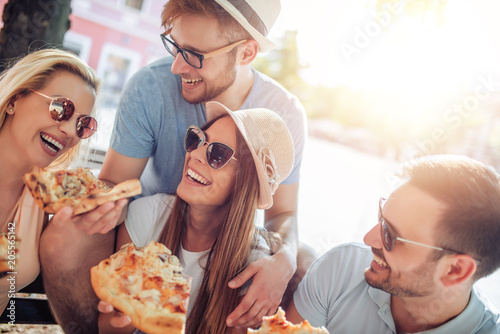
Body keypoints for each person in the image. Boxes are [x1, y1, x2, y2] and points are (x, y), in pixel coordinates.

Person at [42, 0, 310, 331]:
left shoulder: (286, 114)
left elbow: (282, 215)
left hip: (224, 241)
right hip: (146, 229)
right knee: (66, 231)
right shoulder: (149, 87)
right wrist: (101, 199)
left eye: (195, 55)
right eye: (175, 46)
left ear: (246, 53)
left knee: (304, 266)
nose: (177, 67)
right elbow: (115, 182)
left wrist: (284, 258)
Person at [97, 101, 295, 333]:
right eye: (197, 140)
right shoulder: (146, 215)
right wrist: (129, 313)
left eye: (218, 154)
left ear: (245, 183)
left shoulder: (254, 270)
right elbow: (106, 329)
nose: (195, 154)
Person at [286, 155, 500, 333]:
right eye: (381, 217)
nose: (369, 239)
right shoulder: (341, 268)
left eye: (391, 235)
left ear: (455, 270)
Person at [0, 49, 102, 313]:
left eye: (83, 124)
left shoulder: (45, 197)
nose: (69, 131)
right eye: (60, 108)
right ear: (14, 99)